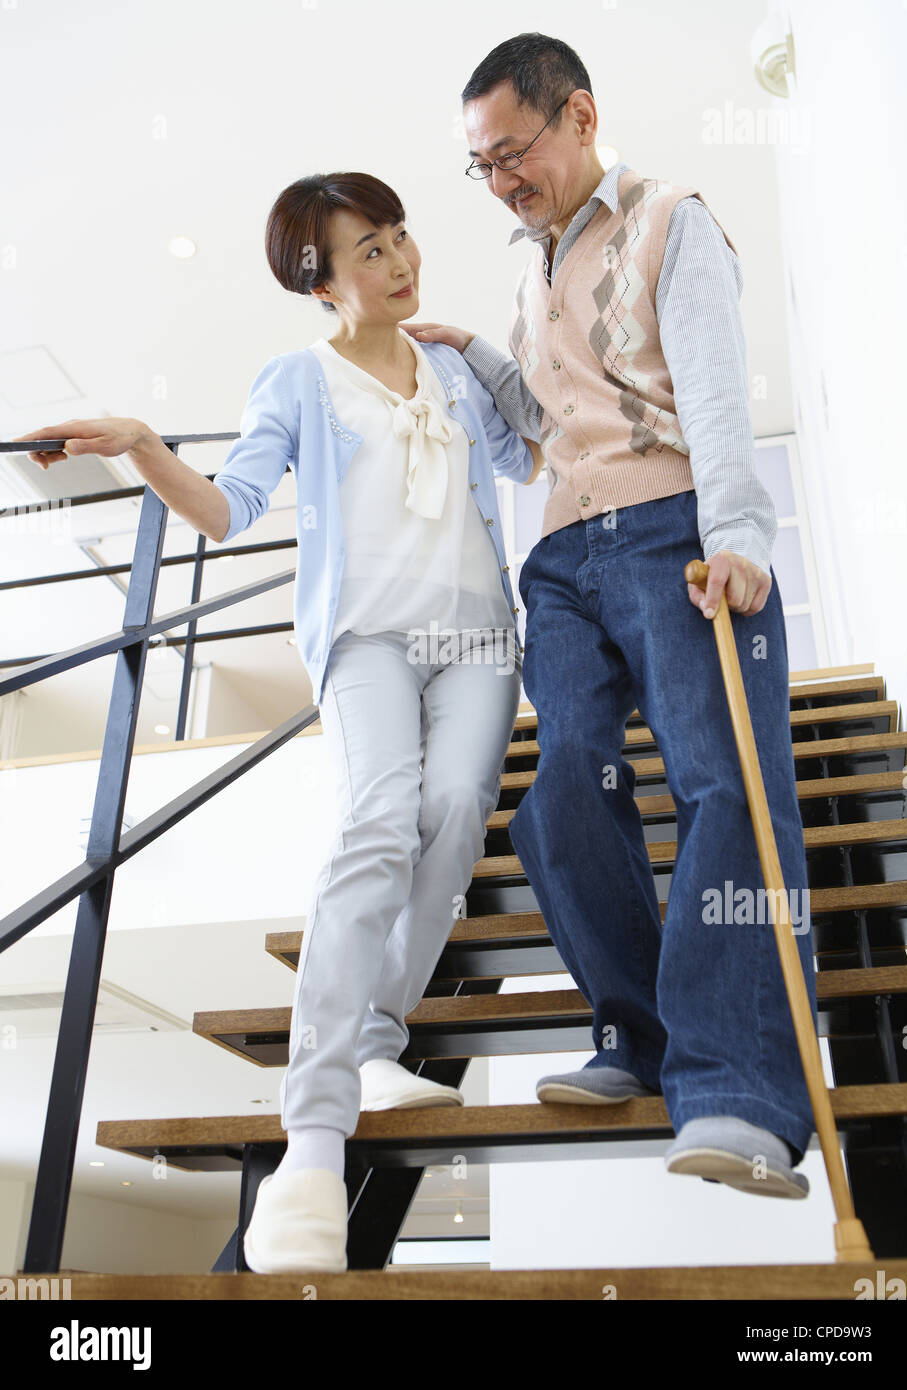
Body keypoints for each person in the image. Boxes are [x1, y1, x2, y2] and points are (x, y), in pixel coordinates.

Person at [14, 171, 543, 1271]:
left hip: (481, 639)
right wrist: (144, 447)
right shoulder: (297, 380)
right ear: (320, 282)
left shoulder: (444, 363)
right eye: (368, 253)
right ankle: (313, 1139)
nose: (397, 263)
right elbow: (227, 509)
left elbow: (522, 450)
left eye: (400, 239)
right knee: (375, 822)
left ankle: (381, 1035)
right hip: (367, 640)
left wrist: (482, 354)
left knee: (450, 815)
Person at [405, 32, 818, 1201]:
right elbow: (546, 421)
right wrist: (476, 349)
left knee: (723, 784)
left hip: (673, 528)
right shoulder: (532, 265)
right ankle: (635, 1033)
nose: (498, 181)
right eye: (479, 167)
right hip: (565, 556)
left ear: (578, 117)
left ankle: (737, 1084)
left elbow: (712, 381)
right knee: (564, 787)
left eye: (511, 154)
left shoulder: (669, 218)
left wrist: (741, 536)